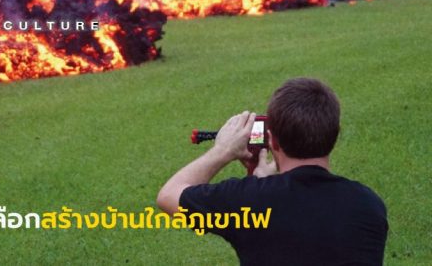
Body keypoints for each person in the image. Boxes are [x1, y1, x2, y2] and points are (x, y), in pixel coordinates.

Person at [157, 78, 388, 265]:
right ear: (335, 135)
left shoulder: (249, 203)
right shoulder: (369, 205)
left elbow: (168, 195)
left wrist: (223, 151)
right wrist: (262, 184)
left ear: (273, 141)